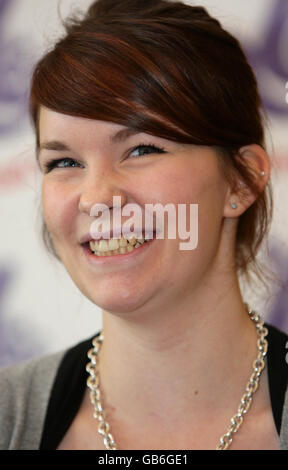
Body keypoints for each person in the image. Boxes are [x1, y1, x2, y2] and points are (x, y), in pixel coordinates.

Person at [0, 0, 287, 450]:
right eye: (65, 161)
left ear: (241, 180)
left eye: (142, 150)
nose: (95, 198)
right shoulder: (8, 416)